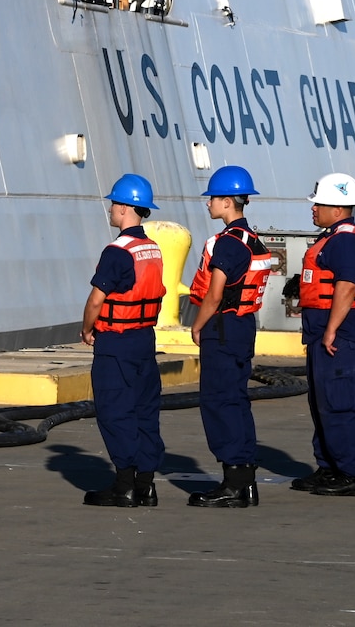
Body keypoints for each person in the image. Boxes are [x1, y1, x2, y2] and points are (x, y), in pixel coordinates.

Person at [187, 165, 272, 508]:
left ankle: (233, 484)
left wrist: (196, 325)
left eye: (212, 199)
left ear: (226, 202)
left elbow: (215, 292)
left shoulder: (228, 244)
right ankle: (245, 481)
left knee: (219, 402)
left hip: (221, 329)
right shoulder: (252, 240)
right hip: (242, 327)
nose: (208, 205)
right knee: (237, 401)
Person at [80, 173, 166, 508]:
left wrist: (88, 329)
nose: (111, 208)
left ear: (127, 208)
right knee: (145, 412)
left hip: (116, 343)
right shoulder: (152, 248)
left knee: (116, 411)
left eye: (115, 203)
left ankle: (125, 485)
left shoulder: (117, 251)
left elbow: (96, 300)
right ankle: (146, 485)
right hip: (144, 339)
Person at [292, 172, 355, 497]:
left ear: (337, 209)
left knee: (338, 404)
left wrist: (330, 330)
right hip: (323, 333)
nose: (313, 209)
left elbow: (347, 286)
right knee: (322, 403)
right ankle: (329, 467)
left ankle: (352, 474)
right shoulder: (333, 238)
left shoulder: (345, 242)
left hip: (341, 335)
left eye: (319, 204)